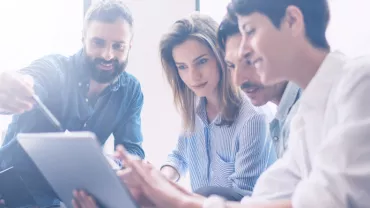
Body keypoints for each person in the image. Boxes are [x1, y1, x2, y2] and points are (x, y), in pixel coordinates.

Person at [74, 0, 370, 207]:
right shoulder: (304, 117)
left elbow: (326, 203)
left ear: (292, 21)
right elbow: (262, 201)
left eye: (250, 32)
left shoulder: (360, 81)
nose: (240, 74)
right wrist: (157, 192)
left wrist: (171, 198)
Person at [0, 0, 145, 206]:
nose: (107, 55)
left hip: (69, 198)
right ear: (83, 39)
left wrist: (109, 166)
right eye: (98, 42)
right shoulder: (56, 69)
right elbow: (33, 78)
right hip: (13, 191)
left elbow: (133, 151)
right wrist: (14, 87)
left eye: (118, 46)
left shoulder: (131, 91)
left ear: (129, 46)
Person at [157, 12, 274, 200]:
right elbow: (180, 156)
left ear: (221, 57)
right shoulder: (194, 106)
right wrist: (159, 180)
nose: (193, 77)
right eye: (182, 67)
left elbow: (242, 198)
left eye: (201, 62)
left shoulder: (253, 118)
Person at [217, 17, 301, 158]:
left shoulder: (304, 118)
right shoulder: (283, 117)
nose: (237, 81)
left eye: (249, 62)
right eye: (231, 66)